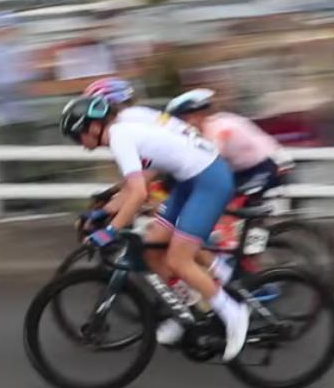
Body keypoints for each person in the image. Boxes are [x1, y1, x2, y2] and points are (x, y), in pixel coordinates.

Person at [61, 94, 249, 361]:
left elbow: (137, 194)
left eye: (76, 136)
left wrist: (111, 231)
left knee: (178, 259)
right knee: (152, 248)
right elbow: (133, 189)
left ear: (92, 127)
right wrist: (100, 213)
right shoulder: (123, 130)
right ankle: (191, 312)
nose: (79, 144)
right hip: (189, 181)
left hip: (208, 181)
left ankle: (233, 313)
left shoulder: (119, 137)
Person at [164, 89, 294, 200]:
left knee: (220, 196)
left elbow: (210, 158)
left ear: (198, 115)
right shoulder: (201, 132)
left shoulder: (221, 128)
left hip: (267, 167)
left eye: (184, 119)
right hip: (243, 172)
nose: (181, 125)